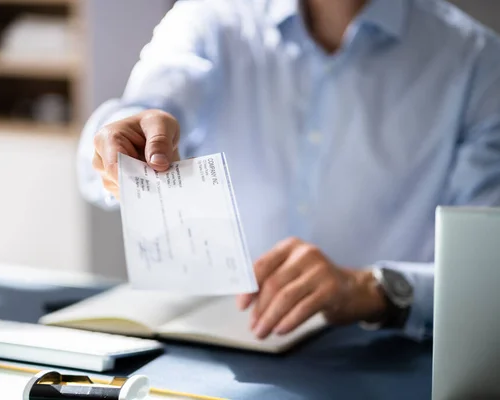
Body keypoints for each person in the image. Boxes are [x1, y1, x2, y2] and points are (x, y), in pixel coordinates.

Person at [77, 0, 500, 341]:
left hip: (382, 358)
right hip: (211, 351)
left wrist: (371, 289)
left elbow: (484, 273)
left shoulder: (476, 61)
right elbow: (144, 108)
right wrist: (119, 142)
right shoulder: (209, 17)